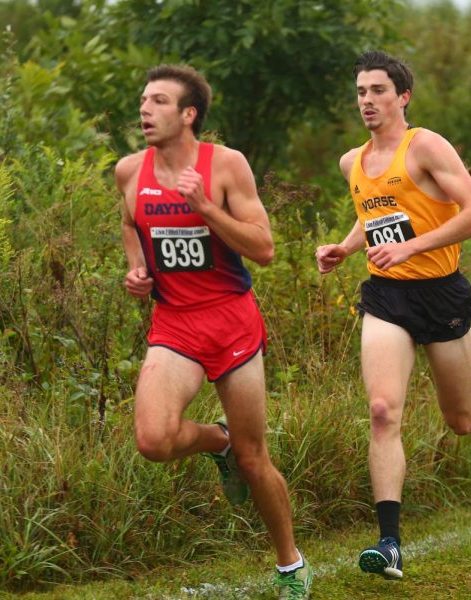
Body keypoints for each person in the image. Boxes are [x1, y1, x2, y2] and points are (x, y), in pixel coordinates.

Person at [316, 50, 471, 579]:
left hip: (441, 294)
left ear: (403, 96)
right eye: (361, 92)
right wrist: (345, 247)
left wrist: (412, 249)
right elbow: (377, 216)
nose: (368, 101)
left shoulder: (426, 146)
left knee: (460, 419)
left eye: (379, 91)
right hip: (387, 297)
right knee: (384, 410)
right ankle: (389, 542)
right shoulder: (352, 162)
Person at [116, 64, 312, 599]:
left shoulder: (225, 166)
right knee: (154, 440)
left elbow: (264, 248)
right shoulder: (130, 171)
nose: (145, 110)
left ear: (188, 114)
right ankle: (216, 441)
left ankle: (290, 565)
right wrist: (138, 271)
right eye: (143, 100)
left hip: (231, 321)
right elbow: (132, 224)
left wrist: (204, 206)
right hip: (175, 323)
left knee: (255, 459)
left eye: (158, 101)